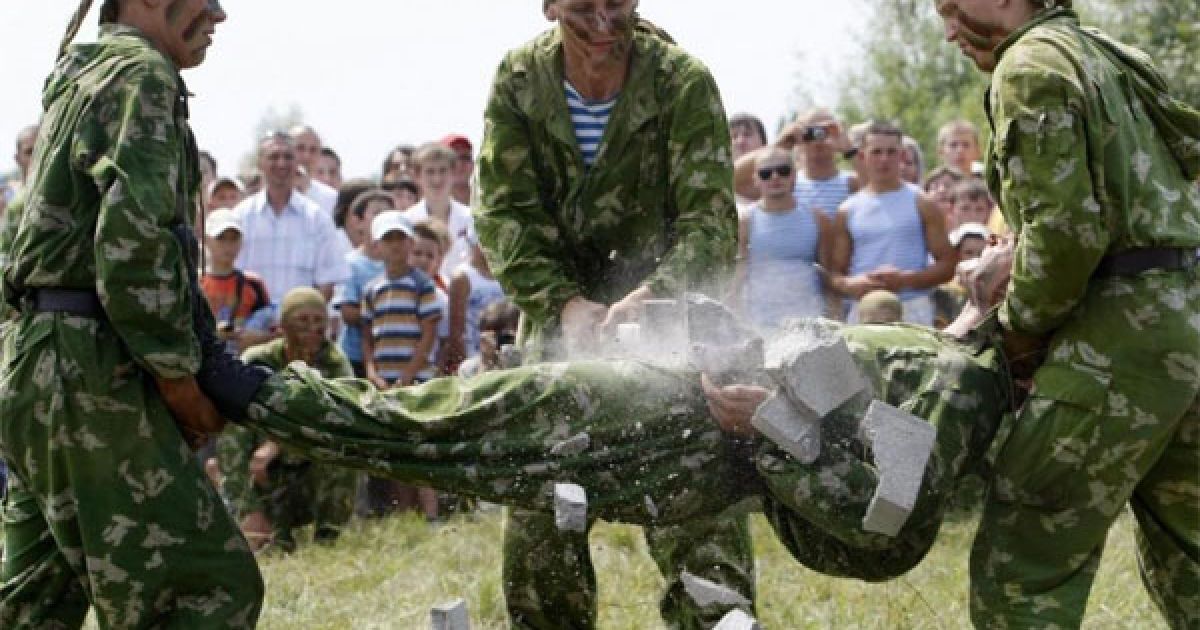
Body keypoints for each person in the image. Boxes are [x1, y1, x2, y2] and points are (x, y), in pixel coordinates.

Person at [474, 1, 751, 627]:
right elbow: (503, 214)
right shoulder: (520, 81)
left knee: (696, 503)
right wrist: (562, 305)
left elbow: (710, 224)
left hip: (670, 324)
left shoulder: (681, 80)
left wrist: (651, 296)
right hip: (560, 323)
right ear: (549, 6)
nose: (603, 22)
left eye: (617, 3)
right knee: (542, 512)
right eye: (582, 7)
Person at [0, 1, 265, 626]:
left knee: (34, 605)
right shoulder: (140, 74)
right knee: (205, 591)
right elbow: (134, 249)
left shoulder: (82, 73)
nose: (218, 13)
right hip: (90, 368)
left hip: (42, 365)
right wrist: (178, 382)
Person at [936, 0, 1200, 626]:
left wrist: (1018, 332)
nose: (947, 29)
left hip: (1117, 336)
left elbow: (1066, 235)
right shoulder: (1106, 51)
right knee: (1190, 550)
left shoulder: (1026, 66)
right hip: (1183, 322)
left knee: (1023, 559)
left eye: (950, 8)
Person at [215, 288, 359, 553]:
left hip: (311, 469)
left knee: (347, 453)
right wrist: (247, 510)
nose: (313, 328)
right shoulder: (257, 361)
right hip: (266, 474)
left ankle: (328, 538)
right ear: (282, 326)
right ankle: (263, 526)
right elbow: (232, 433)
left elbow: (338, 421)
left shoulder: (335, 365)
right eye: (302, 320)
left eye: (319, 321)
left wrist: (277, 444)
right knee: (273, 548)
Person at [828, 122, 957, 325]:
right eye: (876, 152)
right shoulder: (848, 209)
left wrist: (905, 280)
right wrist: (854, 284)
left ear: (902, 156)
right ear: (863, 156)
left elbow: (948, 264)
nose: (884, 159)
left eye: (891, 152)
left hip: (912, 309)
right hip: (865, 310)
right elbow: (835, 274)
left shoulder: (921, 202)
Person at [232, 132, 349, 302]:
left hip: (301, 324)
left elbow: (327, 283)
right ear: (260, 163)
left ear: (296, 163)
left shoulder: (317, 219)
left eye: (288, 157)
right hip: (251, 324)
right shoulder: (241, 217)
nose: (281, 163)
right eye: (273, 157)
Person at [733, 146, 833, 329]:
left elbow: (829, 277)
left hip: (809, 322)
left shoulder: (818, 218)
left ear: (794, 175)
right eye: (765, 173)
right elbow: (739, 274)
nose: (775, 177)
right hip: (759, 322)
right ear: (755, 179)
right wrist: (737, 320)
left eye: (783, 171)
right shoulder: (746, 221)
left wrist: (836, 318)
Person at [361, 211, 442, 390]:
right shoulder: (371, 289)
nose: (395, 244)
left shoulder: (422, 284)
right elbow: (367, 337)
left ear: (411, 243)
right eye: (388, 238)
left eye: (401, 237)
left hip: (418, 379)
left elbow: (429, 334)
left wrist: (408, 375)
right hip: (383, 380)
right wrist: (372, 372)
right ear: (376, 246)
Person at [199, 209, 273, 355]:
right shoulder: (196, 283)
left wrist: (258, 337)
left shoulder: (253, 283)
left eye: (234, 238)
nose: (228, 245)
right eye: (221, 238)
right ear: (207, 240)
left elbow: (272, 331)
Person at [403, 142, 475, 279]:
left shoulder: (471, 218)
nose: (437, 179)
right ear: (417, 176)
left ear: (453, 173)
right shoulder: (406, 220)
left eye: (443, 171)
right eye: (430, 172)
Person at [446, 234, 507, 370]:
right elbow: (456, 331)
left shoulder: (507, 272)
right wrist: (464, 363)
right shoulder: (463, 276)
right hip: (473, 358)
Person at [456, 300, 521, 378]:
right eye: (497, 336)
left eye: (508, 336)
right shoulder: (468, 368)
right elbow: (475, 388)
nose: (505, 342)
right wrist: (486, 363)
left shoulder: (530, 363)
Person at [289, 125, 338, 214]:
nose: (306, 156)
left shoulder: (332, 199)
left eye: (313, 150)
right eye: (300, 148)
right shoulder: (268, 196)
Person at [441, 134, 474, 206]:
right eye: (452, 158)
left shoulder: (490, 202)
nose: (459, 164)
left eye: (465, 157)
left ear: (473, 164)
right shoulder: (422, 209)